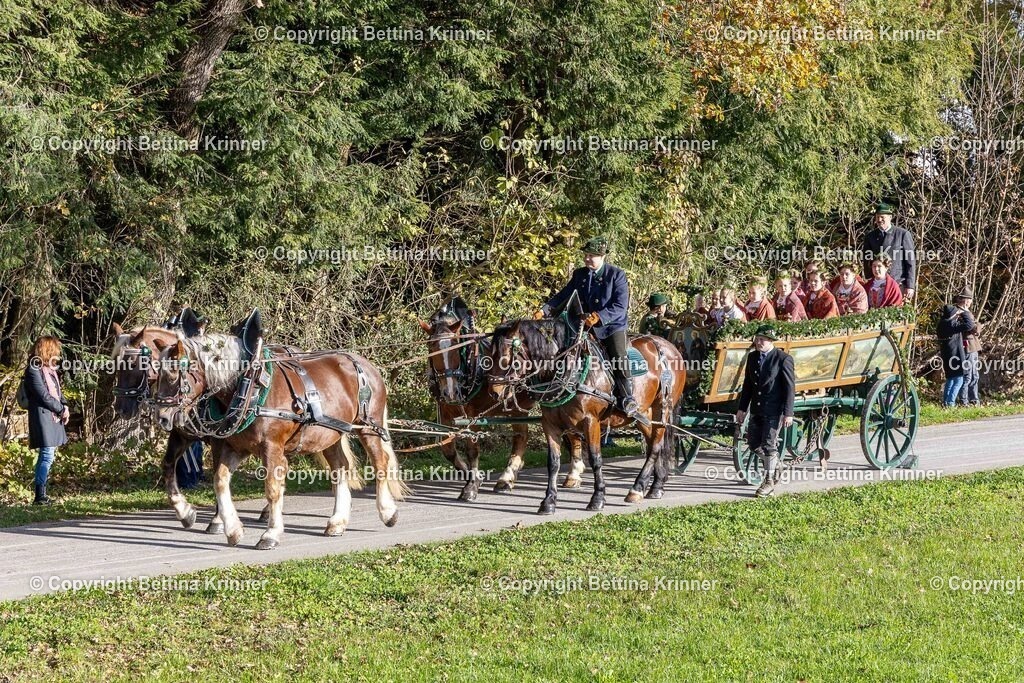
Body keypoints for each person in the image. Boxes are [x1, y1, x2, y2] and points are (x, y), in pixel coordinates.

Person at [537, 234, 640, 419]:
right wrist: (544, 310)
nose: (586, 258)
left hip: (611, 327)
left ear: (602, 257)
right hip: (583, 326)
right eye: (585, 255)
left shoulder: (617, 275)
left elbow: (620, 307)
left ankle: (627, 397)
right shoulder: (580, 274)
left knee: (618, 354)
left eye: (591, 255)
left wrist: (599, 317)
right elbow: (563, 295)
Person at [735, 324, 795, 498]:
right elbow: (747, 385)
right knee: (753, 444)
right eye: (757, 339)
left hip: (774, 409)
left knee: (769, 445)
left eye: (762, 339)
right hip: (757, 408)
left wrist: (788, 413)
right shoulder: (753, 357)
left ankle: (768, 482)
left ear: (771, 341)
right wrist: (742, 408)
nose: (758, 342)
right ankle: (776, 465)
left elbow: (790, 388)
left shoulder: (783, 359)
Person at [22, 336, 69, 505]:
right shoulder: (33, 369)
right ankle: (39, 496)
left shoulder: (49, 369)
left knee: (49, 455)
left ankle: (42, 493)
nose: (58, 354)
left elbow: (58, 392)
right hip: (42, 416)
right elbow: (43, 395)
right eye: (55, 350)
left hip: (52, 416)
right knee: (47, 454)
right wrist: (60, 408)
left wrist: (65, 405)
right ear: (47, 349)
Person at [863, 201, 916, 300]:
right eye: (877, 216)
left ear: (890, 217)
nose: (879, 219)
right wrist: (869, 281)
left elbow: (910, 262)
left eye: (882, 217)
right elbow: (867, 261)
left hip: (898, 283)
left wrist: (910, 286)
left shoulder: (902, 234)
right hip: (877, 285)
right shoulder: (870, 237)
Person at [937, 288, 977, 408]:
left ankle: (946, 402)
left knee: (950, 379)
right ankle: (950, 403)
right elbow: (970, 325)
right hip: (954, 354)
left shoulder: (942, 323)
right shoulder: (952, 325)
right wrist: (964, 312)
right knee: (959, 379)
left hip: (946, 353)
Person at [960, 302, 982, 407]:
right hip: (968, 347)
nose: (969, 302)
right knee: (968, 376)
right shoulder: (960, 313)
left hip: (974, 347)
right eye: (968, 299)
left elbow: (976, 327)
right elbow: (973, 327)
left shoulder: (967, 312)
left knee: (975, 376)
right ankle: (964, 400)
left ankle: (974, 399)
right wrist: (976, 325)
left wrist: (976, 325)